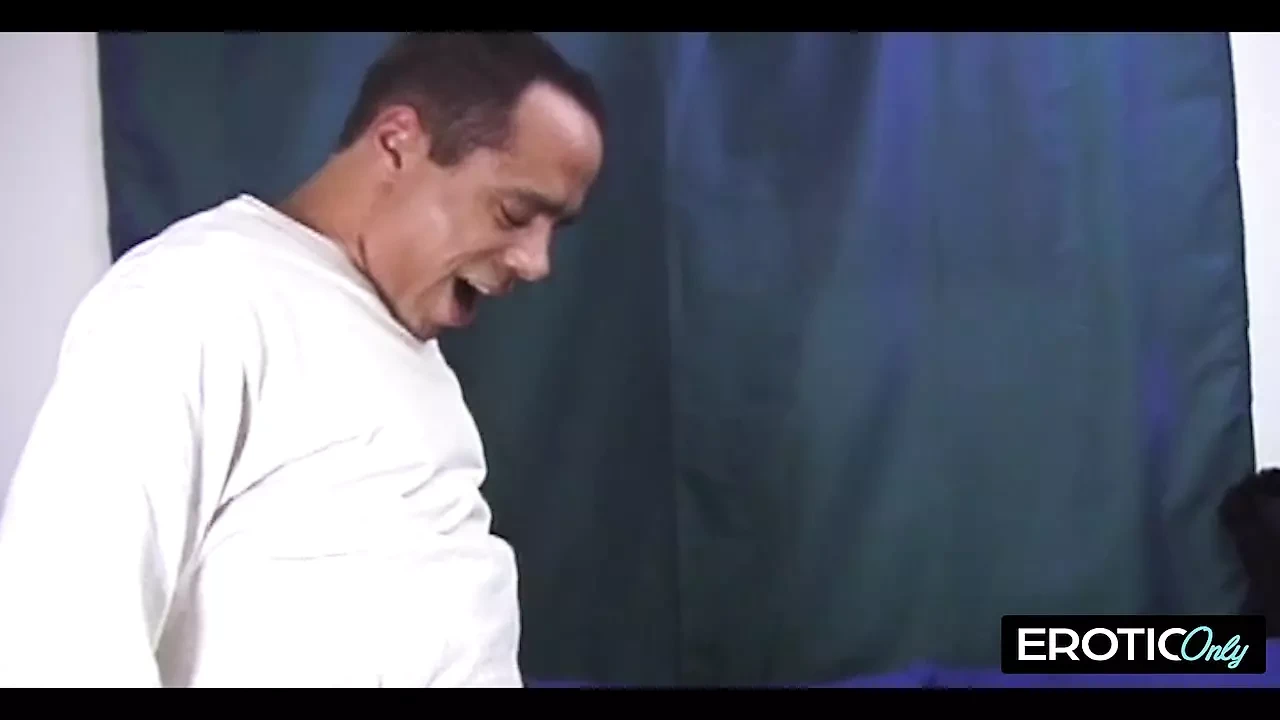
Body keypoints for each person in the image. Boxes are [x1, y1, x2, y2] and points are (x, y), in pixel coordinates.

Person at [0, 32, 605, 688]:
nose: (537, 263)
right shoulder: (200, 290)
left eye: (554, 229)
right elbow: (59, 619)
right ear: (397, 142)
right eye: (514, 212)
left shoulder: (398, 339)